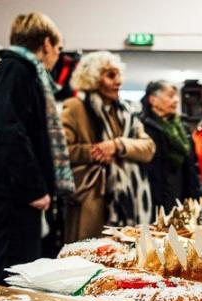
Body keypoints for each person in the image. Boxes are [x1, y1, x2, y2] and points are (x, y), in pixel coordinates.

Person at [0, 12, 74, 284]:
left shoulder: (16, 70)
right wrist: (34, 188)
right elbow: (10, 131)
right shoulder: (16, 70)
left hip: (6, 193)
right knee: (12, 281)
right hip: (8, 195)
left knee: (13, 277)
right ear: (46, 43)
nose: (57, 55)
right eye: (58, 48)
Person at [62, 51, 155, 241]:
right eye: (111, 75)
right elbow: (62, 150)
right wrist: (94, 152)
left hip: (128, 200)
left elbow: (148, 148)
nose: (119, 81)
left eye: (119, 74)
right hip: (91, 197)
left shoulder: (127, 111)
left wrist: (118, 145)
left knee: (124, 256)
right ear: (93, 79)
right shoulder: (75, 107)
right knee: (87, 258)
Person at [140, 80, 202, 214]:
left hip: (182, 191)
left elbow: (192, 164)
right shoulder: (142, 127)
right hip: (154, 195)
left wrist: (196, 194)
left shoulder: (182, 127)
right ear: (153, 100)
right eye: (170, 96)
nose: (176, 100)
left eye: (176, 96)